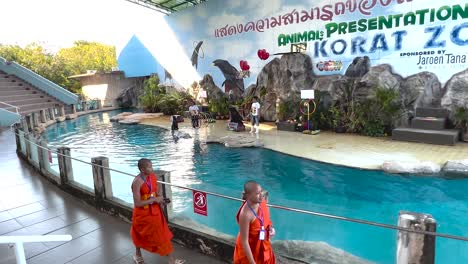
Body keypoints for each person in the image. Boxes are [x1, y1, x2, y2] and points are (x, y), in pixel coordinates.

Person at [130, 158, 184, 264]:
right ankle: (138, 255)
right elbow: (137, 203)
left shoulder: (152, 176)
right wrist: (154, 199)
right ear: (142, 169)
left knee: (162, 235)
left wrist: (160, 199)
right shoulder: (137, 182)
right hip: (142, 214)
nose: (152, 168)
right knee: (138, 234)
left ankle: (171, 260)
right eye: (149, 167)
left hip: (155, 211)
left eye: (151, 166)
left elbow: (156, 190)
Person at [234, 181, 276, 264]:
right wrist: (252, 262)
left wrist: (270, 227)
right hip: (251, 250)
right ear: (248, 196)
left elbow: (266, 218)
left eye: (261, 191)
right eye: (257, 193)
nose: (261, 195)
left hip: (263, 245)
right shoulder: (245, 214)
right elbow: (244, 242)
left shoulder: (261, 202)